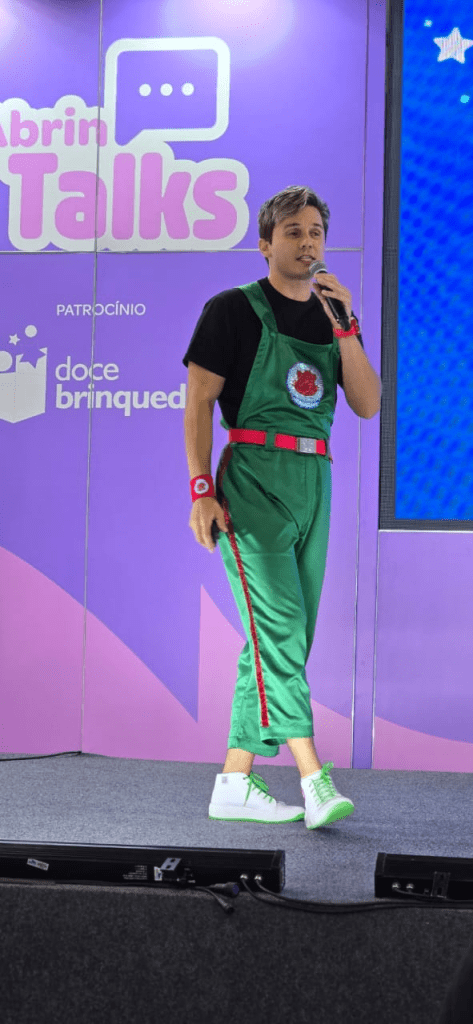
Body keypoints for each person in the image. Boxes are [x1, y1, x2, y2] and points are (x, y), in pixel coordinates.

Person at [183, 184, 381, 829]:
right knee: (282, 632)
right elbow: (198, 401)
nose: (307, 242)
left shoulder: (332, 316)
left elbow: (367, 403)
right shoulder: (232, 309)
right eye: (293, 232)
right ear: (266, 244)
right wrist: (201, 490)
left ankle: (233, 782)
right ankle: (313, 777)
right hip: (252, 479)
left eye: (316, 231)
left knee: (277, 640)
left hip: (313, 479)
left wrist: (347, 326)